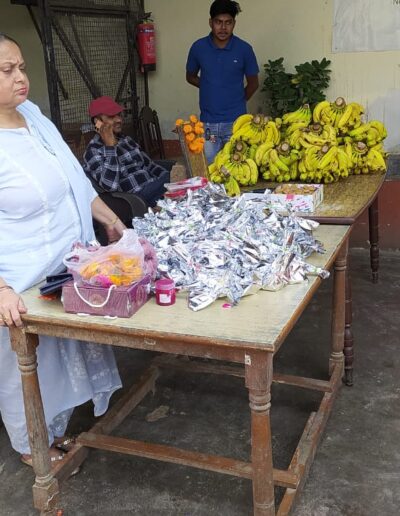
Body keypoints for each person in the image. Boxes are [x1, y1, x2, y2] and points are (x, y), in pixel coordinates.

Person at [0, 33, 125, 470]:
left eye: (21, 67)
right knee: (25, 367)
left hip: (63, 265)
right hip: (19, 278)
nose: (21, 77)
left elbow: (74, 181)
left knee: (61, 357)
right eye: (7, 71)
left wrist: (109, 219)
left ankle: (53, 429)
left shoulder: (33, 116)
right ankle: (30, 445)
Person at [186, 0, 259, 164]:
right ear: (210, 22)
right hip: (208, 125)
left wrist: (238, 99)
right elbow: (190, 76)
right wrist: (210, 87)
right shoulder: (198, 47)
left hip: (236, 123)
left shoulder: (244, 49)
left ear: (234, 23)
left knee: (237, 169)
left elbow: (254, 83)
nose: (223, 28)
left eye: (228, 22)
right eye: (218, 22)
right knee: (210, 169)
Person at [83, 96, 170, 208]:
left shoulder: (126, 140)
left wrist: (168, 179)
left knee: (177, 175)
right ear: (98, 122)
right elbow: (110, 186)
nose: (119, 120)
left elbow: (150, 165)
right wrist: (110, 148)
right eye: (111, 116)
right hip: (136, 199)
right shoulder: (93, 151)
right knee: (180, 178)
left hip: (154, 188)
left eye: (119, 115)